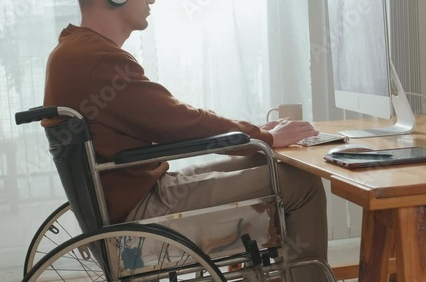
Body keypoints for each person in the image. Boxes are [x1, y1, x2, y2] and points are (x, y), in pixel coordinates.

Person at [42, 0, 329, 280]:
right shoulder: (96, 58)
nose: (153, 0)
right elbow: (180, 122)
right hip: (142, 214)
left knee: (256, 156)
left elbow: (173, 121)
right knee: (300, 184)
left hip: (138, 195)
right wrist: (263, 135)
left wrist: (256, 136)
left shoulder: (75, 52)